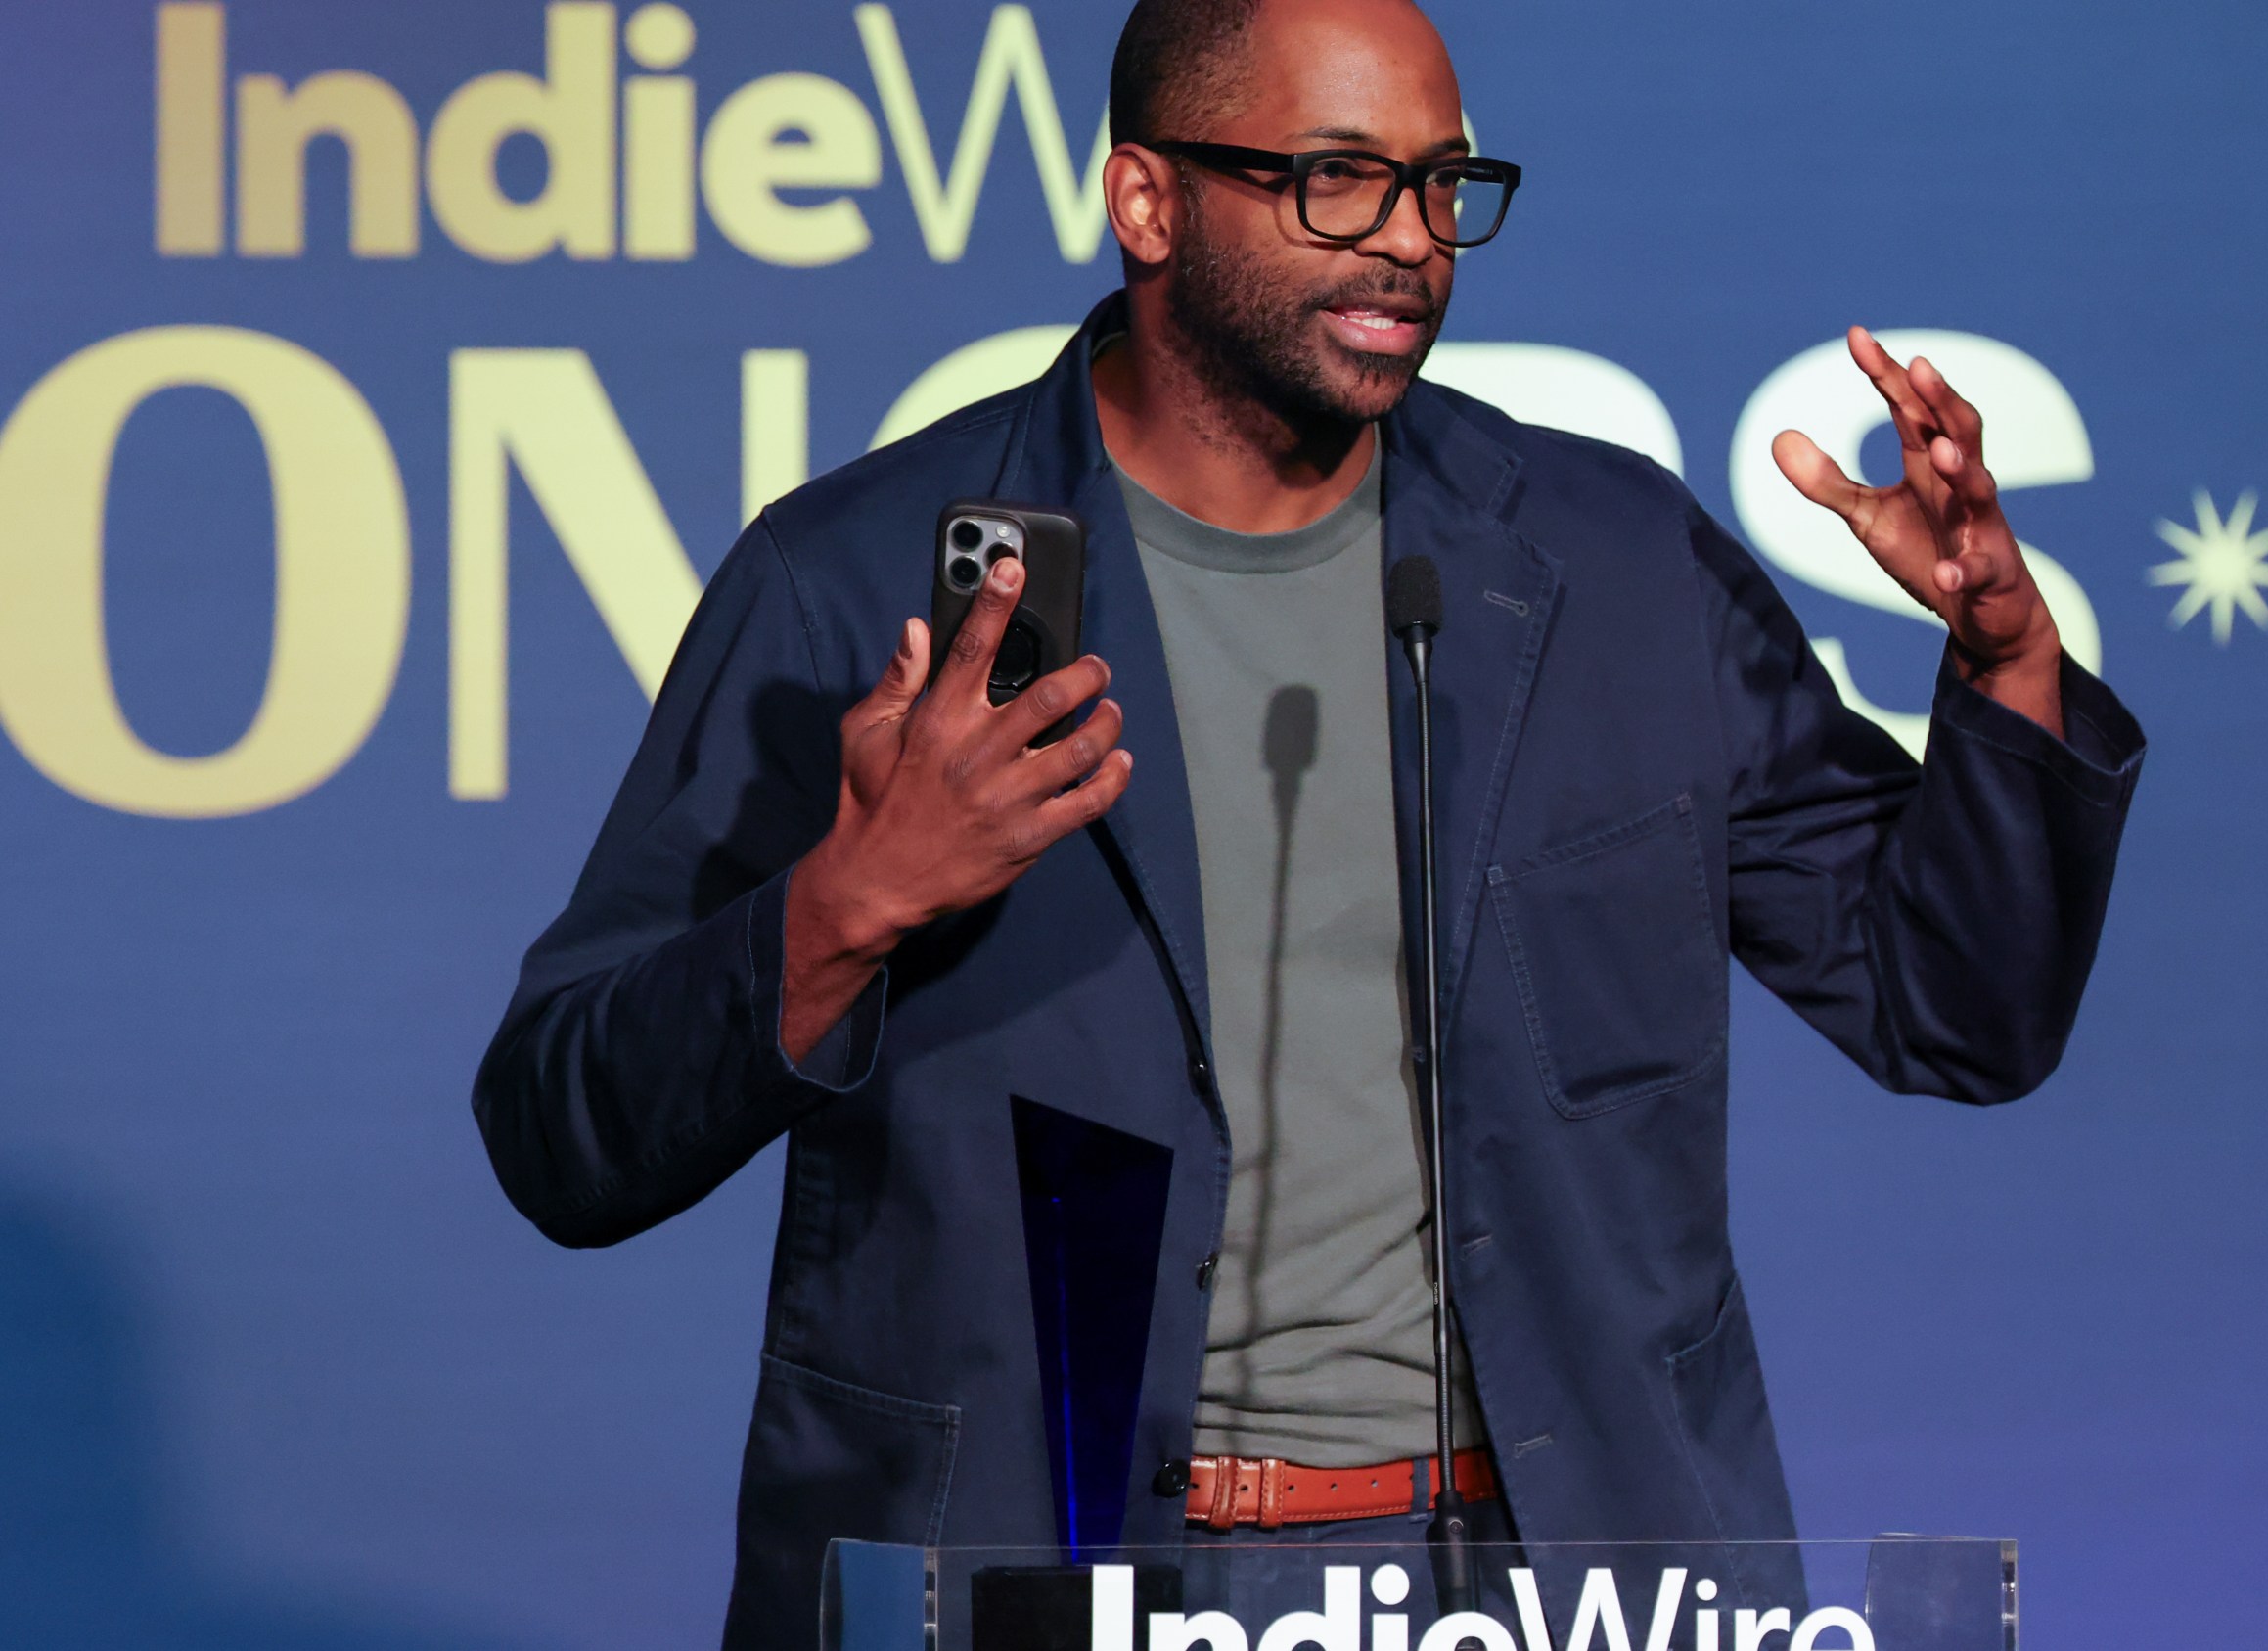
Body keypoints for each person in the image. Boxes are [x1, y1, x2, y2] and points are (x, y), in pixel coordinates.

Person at [472, 0, 2144, 1641]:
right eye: (1337, 179)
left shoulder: (1617, 564)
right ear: (1147, 200)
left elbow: (1959, 1008)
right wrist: (849, 901)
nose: (1411, 241)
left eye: (1442, 185)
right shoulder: (856, 582)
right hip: (1049, 1585)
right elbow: (563, 1135)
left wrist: (2005, 661)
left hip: (1553, 1585)